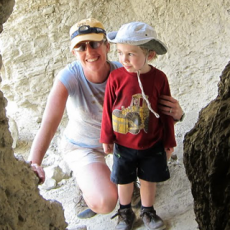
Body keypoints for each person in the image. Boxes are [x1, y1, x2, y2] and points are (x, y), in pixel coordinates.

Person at [28, 18, 184, 219]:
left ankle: (128, 183)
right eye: (81, 47)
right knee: (105, 201)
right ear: (73, 52)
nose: (90, 52)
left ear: (107, 46)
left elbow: (154, 111)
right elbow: (49, 124)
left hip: (121, 142)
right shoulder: (70, 77)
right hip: (84, 146)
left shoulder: (126, 69)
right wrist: (34, 163)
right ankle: (86, 184)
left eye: (94, 44)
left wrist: (178, 115)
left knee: (162, 153)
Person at [100, 21, 176, 230]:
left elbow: (166, 112)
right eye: (120, 52)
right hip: (124, 144)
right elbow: (108, 109)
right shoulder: (115, 77)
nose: (123, 59)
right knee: (124, 180)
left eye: (131, 54)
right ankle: (125, 213)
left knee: (148, 179)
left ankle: (148, 211)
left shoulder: (159, 79)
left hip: (152, 143)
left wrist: (169, 141)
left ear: (149, 55)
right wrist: (106, 138)